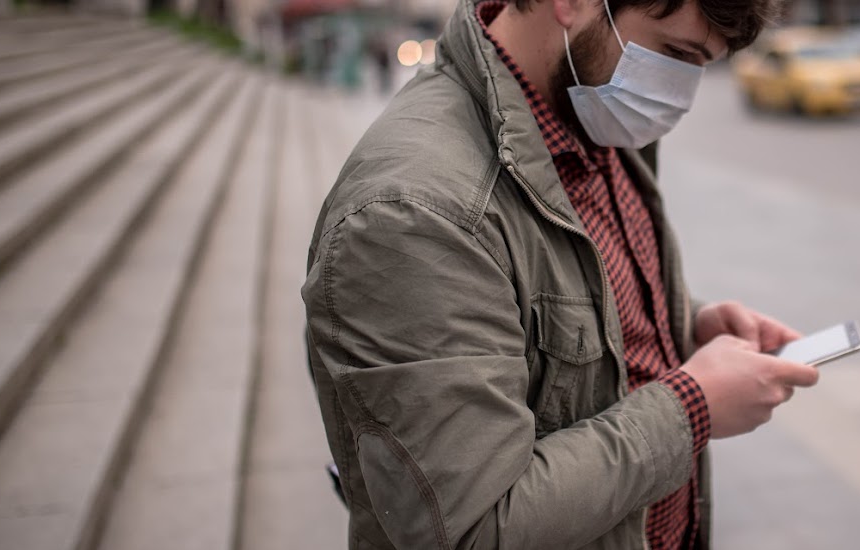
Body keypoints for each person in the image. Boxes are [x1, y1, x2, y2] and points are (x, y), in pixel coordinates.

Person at [300, 0, 820, 546]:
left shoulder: (591, 103)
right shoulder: (413, 213)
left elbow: (564, 291)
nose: (682, 95)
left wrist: (682, 322)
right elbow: (475, 528)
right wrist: (692, 407)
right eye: (674, 53)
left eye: (703, 65)